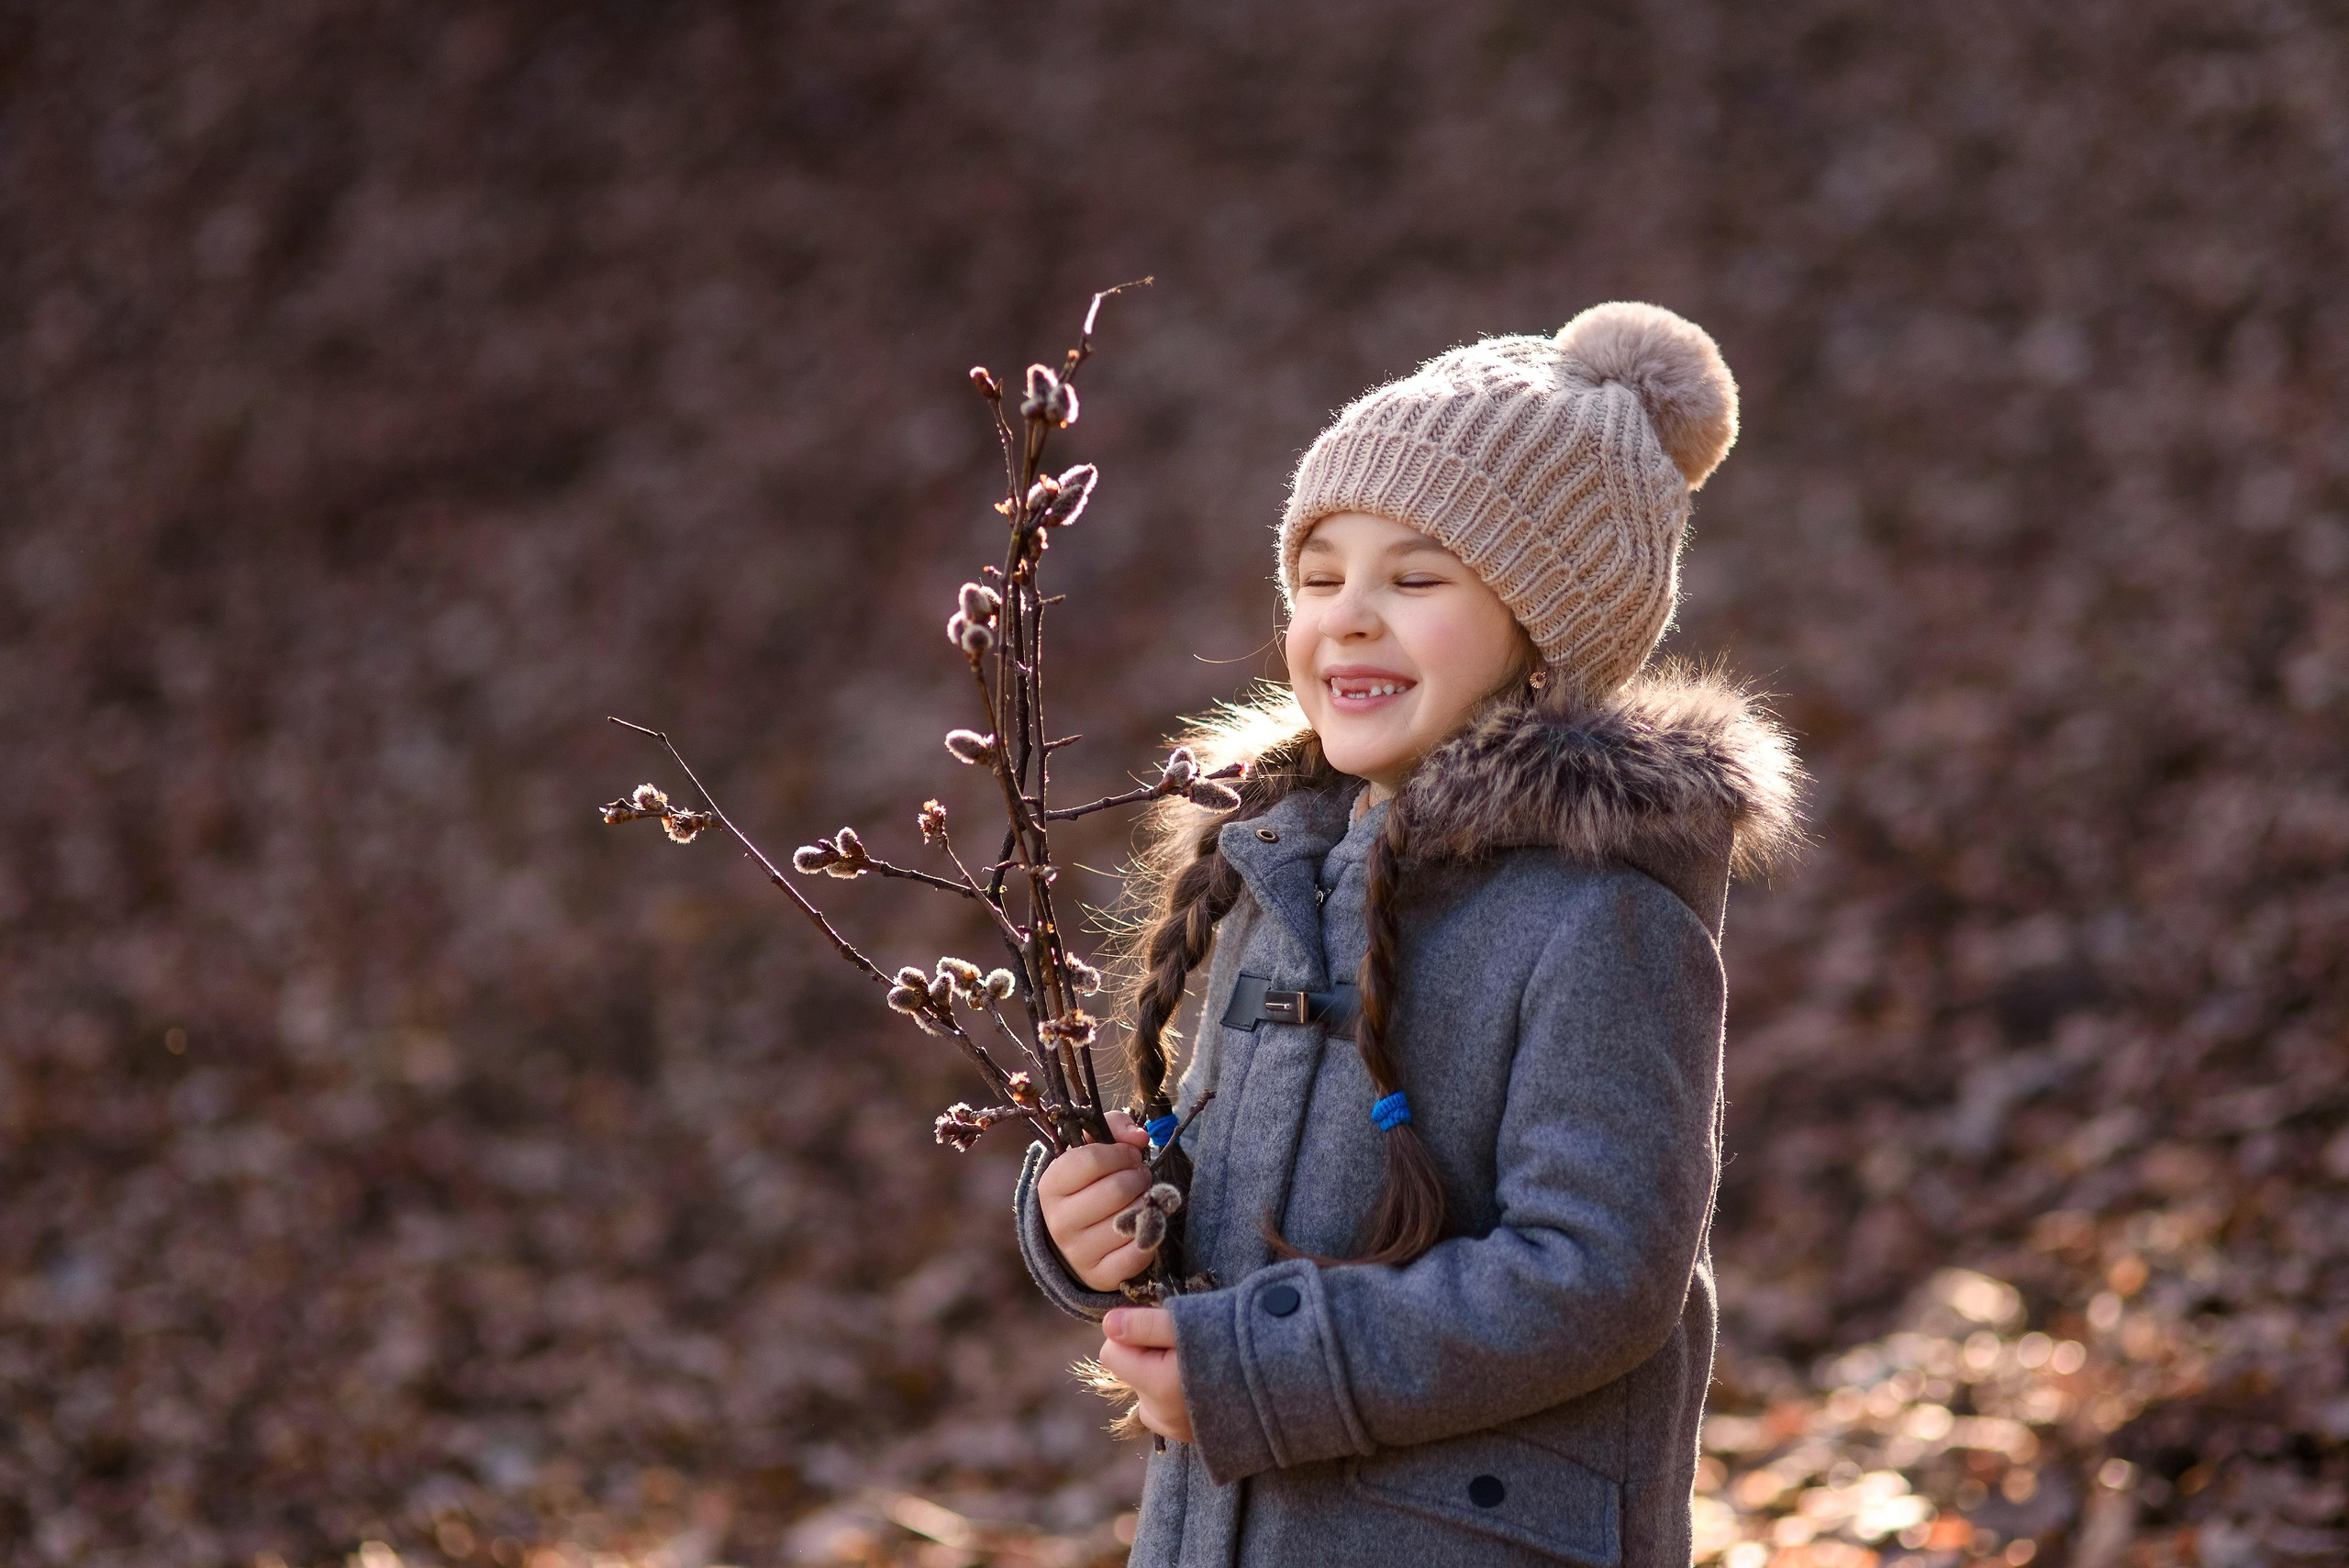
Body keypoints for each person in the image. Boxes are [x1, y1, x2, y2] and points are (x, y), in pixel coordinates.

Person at [1013, 300, 1805, 1566]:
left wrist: (1263, 1366)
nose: (1351, 614)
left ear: (1545, 630)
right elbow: (1227, 1208)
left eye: (1417, 576)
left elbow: (1597, 1275)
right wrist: (1094, 1220)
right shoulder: (1267, 875)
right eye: (1320, 576)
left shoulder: (1599, 915)